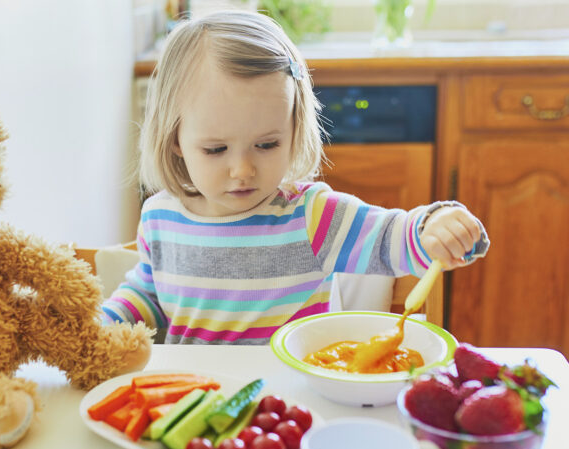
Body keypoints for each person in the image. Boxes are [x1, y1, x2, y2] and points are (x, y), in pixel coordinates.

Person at [101, 10, 488, 344]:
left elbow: (392, 238)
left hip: (286, 413)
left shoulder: (312, 217)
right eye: (216, 150)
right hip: (192, 407)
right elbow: (148, 295)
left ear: (294, 129)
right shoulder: (159, 218)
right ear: (175, 140)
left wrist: (434, 228)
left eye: (267, 144)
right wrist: (103, 324)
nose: (243, 170)